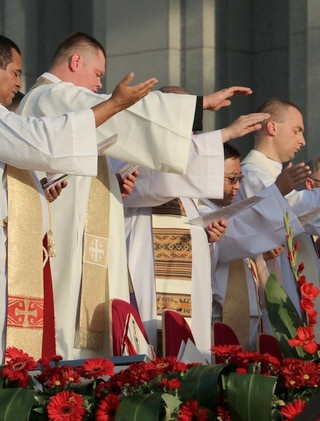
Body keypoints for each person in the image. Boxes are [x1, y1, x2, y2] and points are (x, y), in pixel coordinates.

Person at [0, 33, 159, 366]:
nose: (19, 85)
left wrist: (39, 190)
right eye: (16, 73)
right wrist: (112, 106)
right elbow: (38, 141)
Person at [19, 32, 252, 359]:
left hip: (76, 234)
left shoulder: (49, 101)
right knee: (69, 336)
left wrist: (112, 179)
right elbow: (122, 114)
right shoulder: (54, 96)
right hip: (67, 242)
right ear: (75, 62)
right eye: (98, 74)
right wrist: (200, 106)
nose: (100, 85)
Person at [199, 144, 306, 350]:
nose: (237, 186)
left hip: (249, 310)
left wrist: (262, 256)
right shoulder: (201, 211)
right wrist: (277, 191)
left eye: (240, 179)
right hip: (219, 313)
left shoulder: (224, 209)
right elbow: (235, 234)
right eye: (232, 179)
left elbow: (238, 242)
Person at [236, 98, 320, 334]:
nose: (302, 141)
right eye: (297, 131)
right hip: (266, 293)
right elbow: (296, 213)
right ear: (272, 127)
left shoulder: (271, 174)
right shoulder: (252, 174)